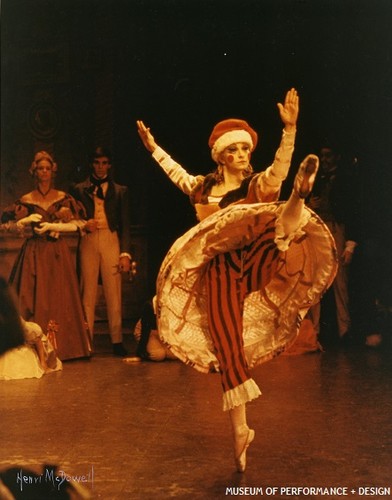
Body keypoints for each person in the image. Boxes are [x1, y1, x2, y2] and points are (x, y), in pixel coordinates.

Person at [136, 88, 337, 472]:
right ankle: (241, 430)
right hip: (220, 270)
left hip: (258, 256)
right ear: (221, 156)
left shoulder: (255, 185)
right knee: (228, 343)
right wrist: (153, 148)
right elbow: (177, 174)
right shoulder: (204, 188)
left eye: (245, 149)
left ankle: (297, 198)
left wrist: (290, 130)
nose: (242, 155)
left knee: (275, 225)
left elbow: (277, 169)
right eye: (235, 150)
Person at [1, 151, 92, 361]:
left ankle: (65, 348)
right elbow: (6, 224)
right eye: (40, 168)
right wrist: (24, 222)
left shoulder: (63, 198)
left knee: (59, 295)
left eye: (47, 169)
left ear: (53, 171)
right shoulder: (26, 200)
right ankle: (30, 347)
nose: (44, 172)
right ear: (35, 171)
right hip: (33, 252)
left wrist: (55, 225)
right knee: (30, 296)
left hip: (56, 253)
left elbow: (81, 224)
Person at [70, 147, 132, 357]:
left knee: (113, 290)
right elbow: (70, 216)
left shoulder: (120, 190)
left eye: (104, 163)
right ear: (91, 164)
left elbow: (125, 224)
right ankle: (86, 342)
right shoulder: (79, 189)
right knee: (87, 291)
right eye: (97, 163)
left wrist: (125, 253)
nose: (100, 167)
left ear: (109, 165)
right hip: (87, 239)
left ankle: (117, 340)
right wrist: (83, 223)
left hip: (110, 238)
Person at [307, 143, 360, 345]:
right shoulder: (318, 179)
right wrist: (310, 206)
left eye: (329, 155)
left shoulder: (346, 179)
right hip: (318, 228)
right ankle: (313, 333)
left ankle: (344, 330)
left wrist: (350, 244)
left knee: (340, 281)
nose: (325, 160)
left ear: (337, 157)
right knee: (315, 281)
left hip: (337, 228)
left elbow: (354, 211)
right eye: (323, 156)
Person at [123, 298, 178, 363]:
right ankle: (154, 350)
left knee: (175, 355)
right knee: (159, 355)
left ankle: (159, 348)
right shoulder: (151, 305)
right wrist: (141, 351)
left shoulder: (175, 304)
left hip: (162, 333)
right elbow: (145, 329)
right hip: (148, 332)